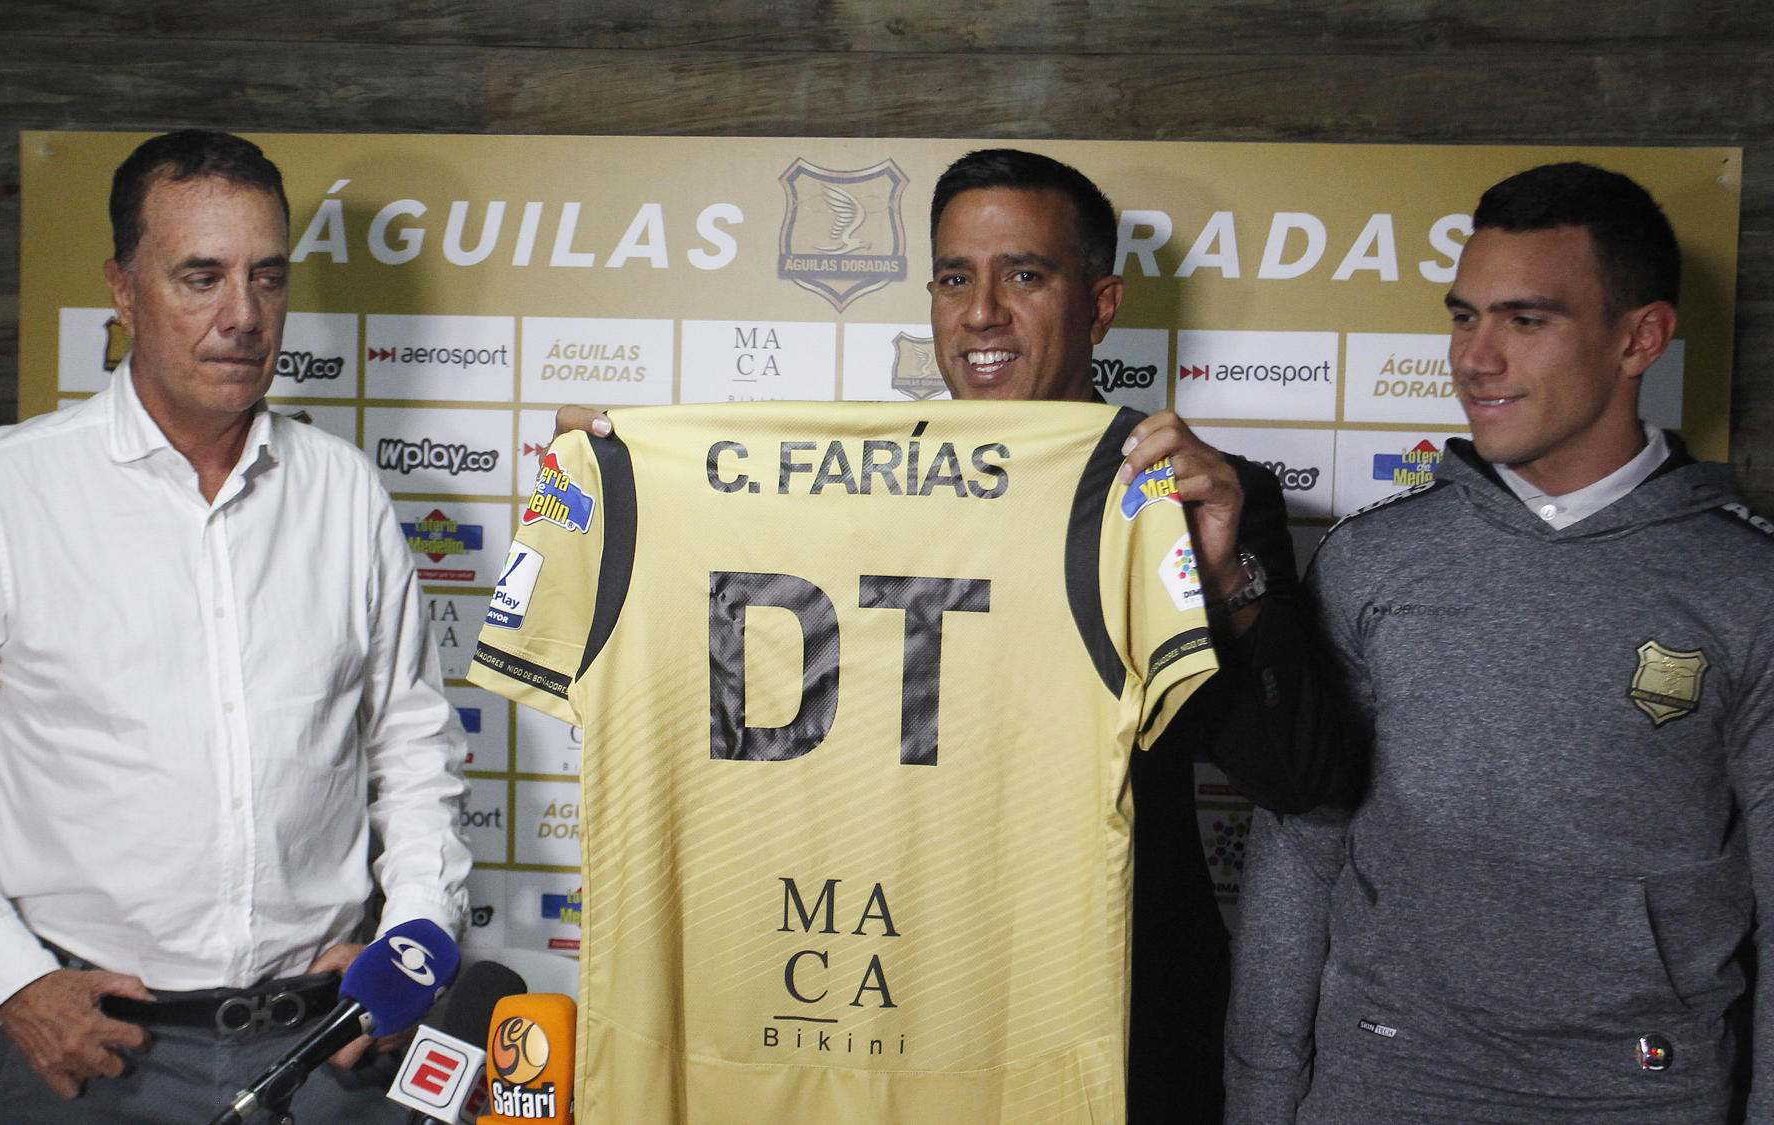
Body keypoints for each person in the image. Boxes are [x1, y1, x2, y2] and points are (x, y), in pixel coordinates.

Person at [561, 148, 1360, 1123]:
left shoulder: (1186, 492)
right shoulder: (827, 495)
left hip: (1100, 1017)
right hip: (880, 1015)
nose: (981, 311)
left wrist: (1227, 570)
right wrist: (616, 487)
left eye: (1024, 274)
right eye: (953, 278)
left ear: (1102, 303)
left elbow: (1301, 777)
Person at [0, 130, 470, 1124]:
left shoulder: (344, 492)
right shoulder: (5, 489)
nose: (242, 316)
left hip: (337, 1052)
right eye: (200, 277)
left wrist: (414, 935)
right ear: (123, 286)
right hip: (98, 1059)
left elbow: (414, 743)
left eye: (266, 278)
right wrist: (8, 976)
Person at [1224, 162, 1774, 1124]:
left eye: (1526, 320)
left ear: (1640, 338)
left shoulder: (1745, 587)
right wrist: (1259, 1098)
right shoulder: (1372, 561)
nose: (1476, 357)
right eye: (1464, 316)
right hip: (1380, 1083)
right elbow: (1296, 858)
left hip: (1642, 1090)